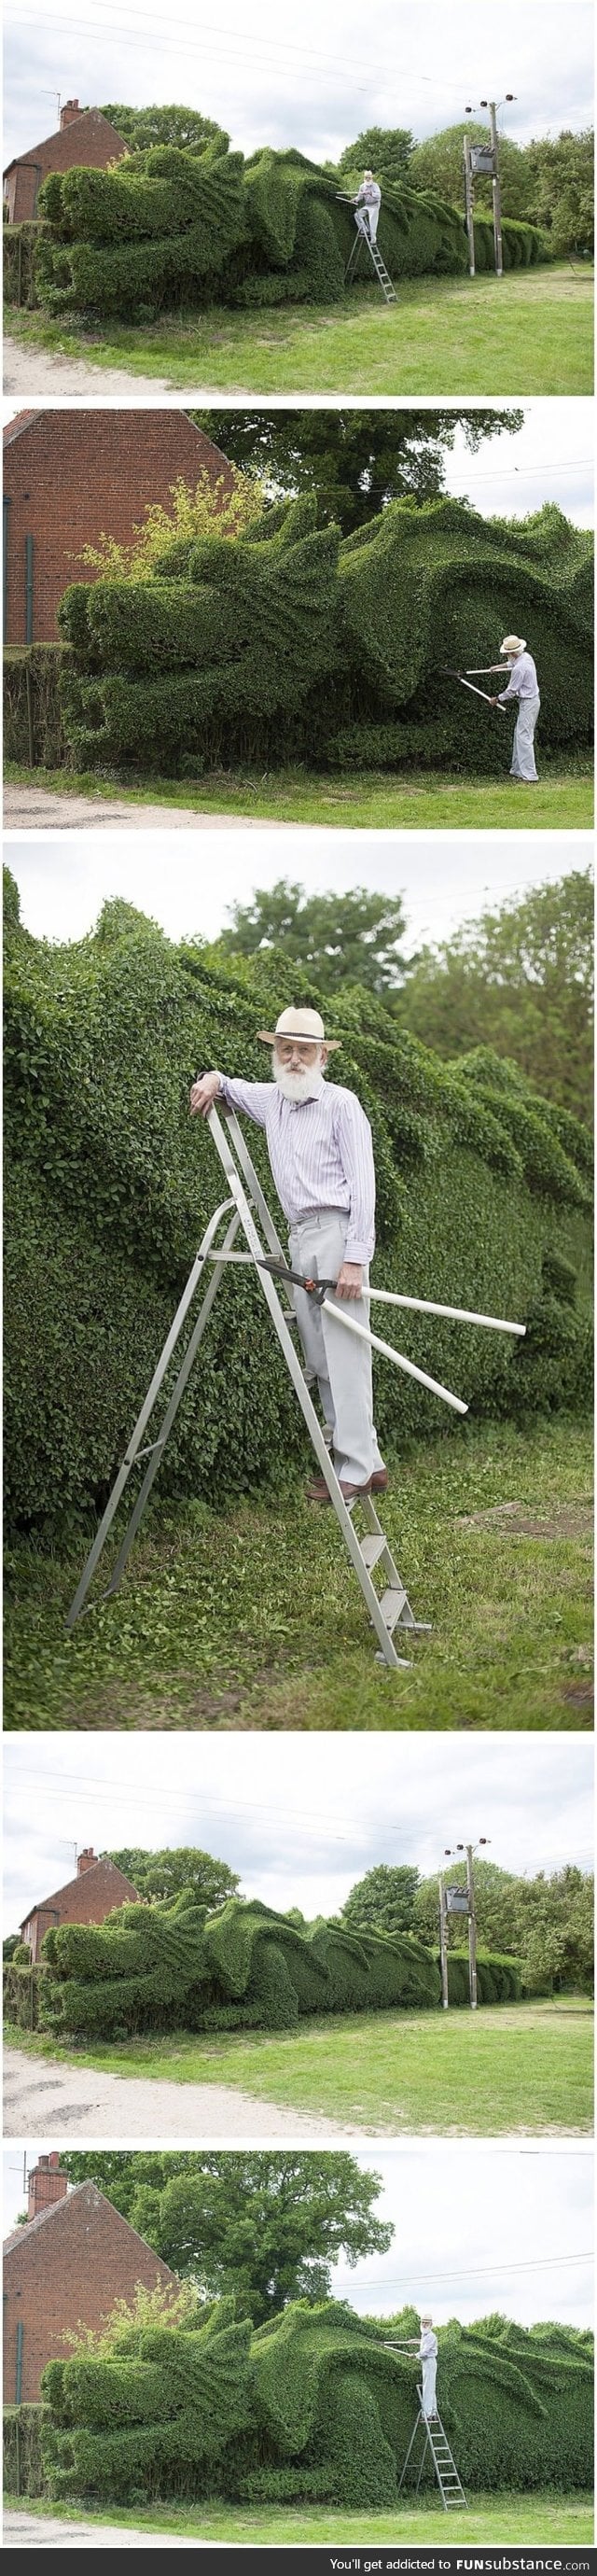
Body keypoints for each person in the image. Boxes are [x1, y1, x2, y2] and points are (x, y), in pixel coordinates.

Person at [190, 1006, 387, 1503]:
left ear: (322, 1056)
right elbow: (230, 1086)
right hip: (300, 1237)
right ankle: (365, 1462)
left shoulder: (343, 1105)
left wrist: (355, 1258)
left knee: (346, 1353)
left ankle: (358, 1466)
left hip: (338, 1233)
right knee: (321, 1357)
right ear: (275, 1054)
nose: (294, 1058)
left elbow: (365, 1187)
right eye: (285, 1049)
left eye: (304, 1050)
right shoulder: (274, 1100)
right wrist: (213, 1078)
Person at [488, 633, 540, 782]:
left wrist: (496, 699)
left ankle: (530, 775)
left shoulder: (520, 668)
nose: (507, 656)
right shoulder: (525, 657)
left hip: (529, 702)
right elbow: (512, 663)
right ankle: (517, 770)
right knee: (520, 734)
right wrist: (497, 667)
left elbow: (511, 691)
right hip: (529, 702)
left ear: (511, 652)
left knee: (524, 737)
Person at [354, 169, 382, 244]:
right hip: (367, 205)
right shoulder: (362, 186)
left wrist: (371, 193)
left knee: (372, 222)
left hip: (375, 205)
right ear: (364, 178)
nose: (368, 179)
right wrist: (355, 200)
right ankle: (364, 230)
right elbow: (360, 197)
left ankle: (373, 240)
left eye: (369, 177)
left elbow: (379, 196)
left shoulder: (375, 185)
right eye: (366, 177)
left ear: (371, 178)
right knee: (357, 215)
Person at [419, 2315, 438, 2419]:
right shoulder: (425, 2336)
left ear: (431, 2324)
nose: (424, 2324)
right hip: (426, 2363)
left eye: (426, 2323)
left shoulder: (431, 2336)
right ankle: (433, 2412)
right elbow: (424, 2343)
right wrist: (415, 2341)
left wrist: (415, 2355)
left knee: (427, 2388)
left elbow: (425, 2352)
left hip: (429, 2362)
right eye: (423, 2322)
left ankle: (426, 2414)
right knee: (431, 2388)